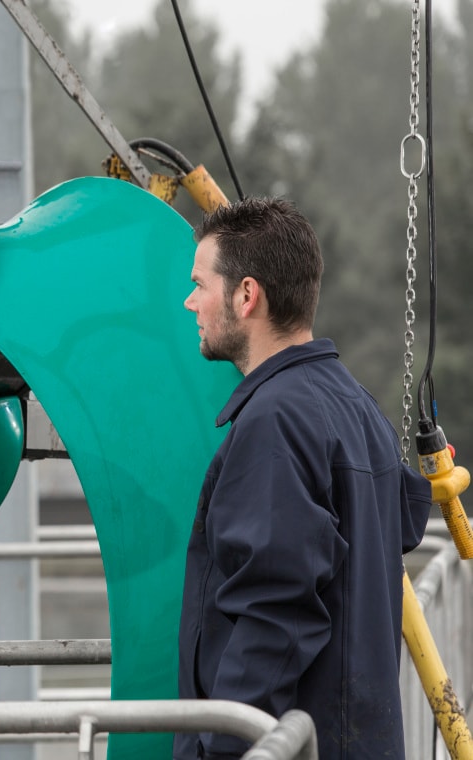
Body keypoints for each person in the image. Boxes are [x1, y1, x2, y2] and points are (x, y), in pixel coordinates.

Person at [175, 197, 433, 760]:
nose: (190, 300)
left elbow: (276, 610)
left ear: (247, 296)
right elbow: (400, 526)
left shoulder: (275, 422)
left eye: (200, 283)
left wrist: (228, 746)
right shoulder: (357, 404)